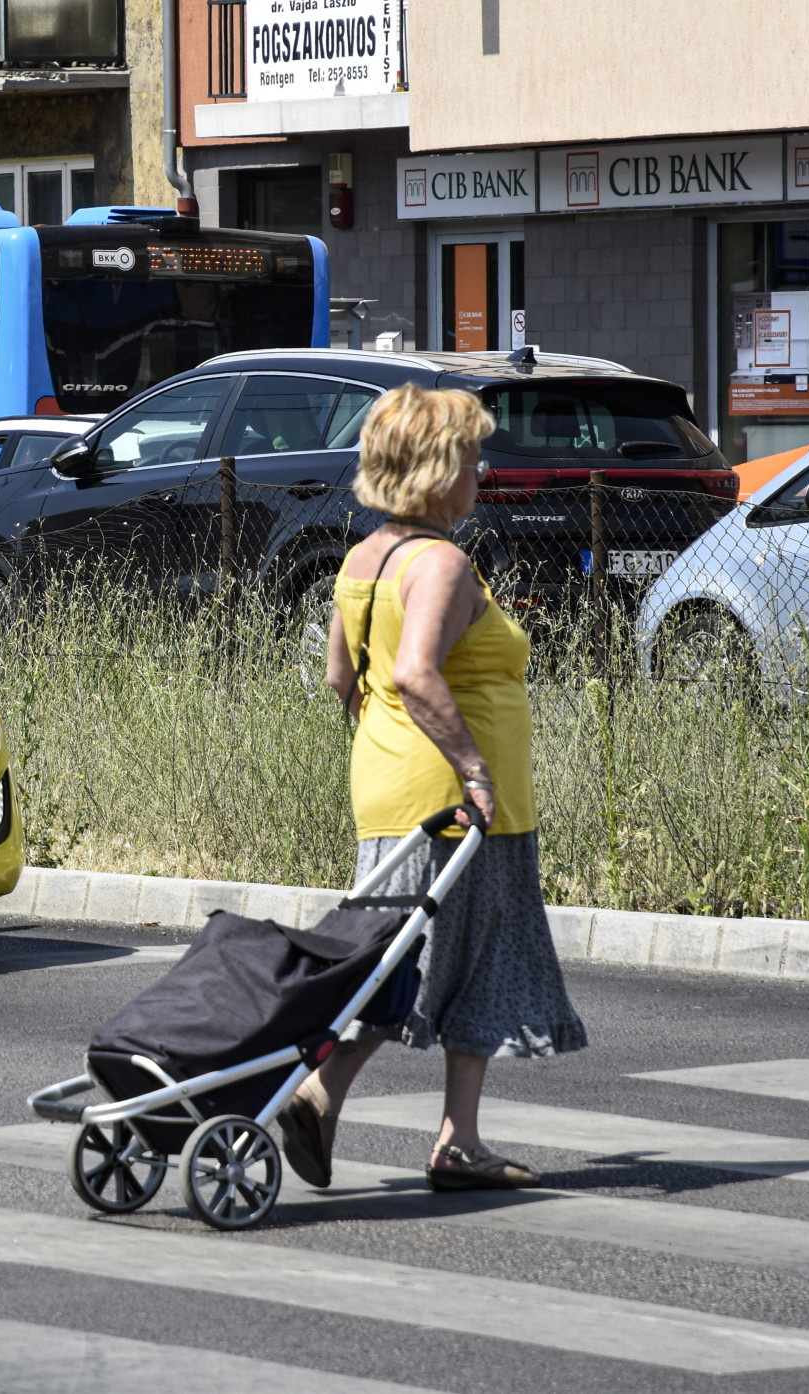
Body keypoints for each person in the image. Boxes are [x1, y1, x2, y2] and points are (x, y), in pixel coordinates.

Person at [280, 383, 586, 1193]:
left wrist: (389, 744)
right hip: (462, 801)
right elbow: (415, 673)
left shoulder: (366, 555)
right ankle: (321, 1091)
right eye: (472, 460)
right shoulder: (442, 563)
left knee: (405, 958)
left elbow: (345, 677)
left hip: (392, 788)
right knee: (427, 963)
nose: (480, 476)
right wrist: (474, 768)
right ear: (435, 471)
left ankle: (460, 1139)